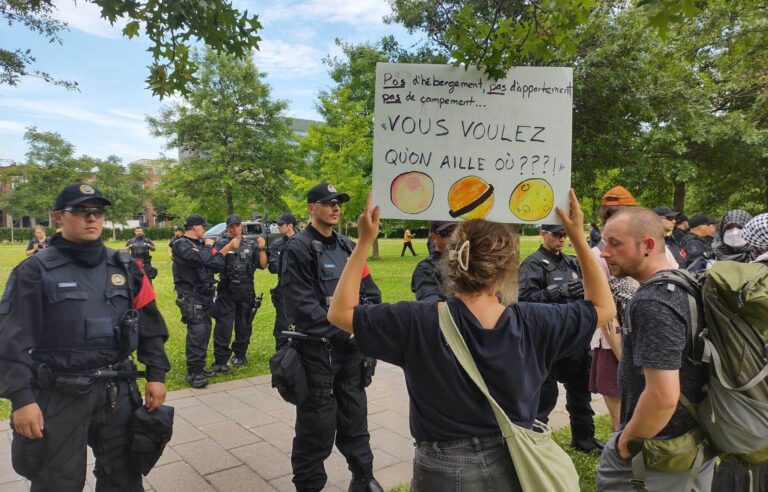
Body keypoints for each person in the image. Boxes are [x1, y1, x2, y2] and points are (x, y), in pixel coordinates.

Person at [327, 191, 615, 491]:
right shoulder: (537, 321)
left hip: (441, 468)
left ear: (451, 262)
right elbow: (603, 308)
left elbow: (340, 313)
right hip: (516, 459)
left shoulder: (417, 320)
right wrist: (579, 238)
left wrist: (362, 243)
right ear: (506, 269)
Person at [0, 183, 170, 490]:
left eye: (97, 212)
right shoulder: (34, 271)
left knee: (124, 480)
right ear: (58, 218)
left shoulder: (127, 267)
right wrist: (21, 399)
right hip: (60, 393)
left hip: (117, 393)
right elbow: (10, 339)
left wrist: (156, 374)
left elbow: (149, 325)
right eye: (80, 211)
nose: (91, 218)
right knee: (57, 483)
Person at [596, 207, 714, 491]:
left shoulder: (653, 301)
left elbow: (663, 395)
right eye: (604, 242)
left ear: (647, 245)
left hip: (658, 454)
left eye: (615, 243)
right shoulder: (685, 282)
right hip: (691, 440)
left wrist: (628, 442)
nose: (603, 253)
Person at [279, 182, 384, 492]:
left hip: (352, 355)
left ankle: (364, 479)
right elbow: (301, 306)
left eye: (338, 202)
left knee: (355, 421)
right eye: (328, 202)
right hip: (318, 357)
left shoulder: (349, 246)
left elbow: (371, 293)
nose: (336, 207)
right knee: (316, 430)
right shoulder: (298, 248)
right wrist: (346, 330)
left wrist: (366, 327)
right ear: (312, 208)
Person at [518, 223, 604, 452]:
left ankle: (584, 438)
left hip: (573, 338)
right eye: (556, 235)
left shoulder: (570, 261)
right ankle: (536, 448)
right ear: (543, 234)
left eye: (564, 235)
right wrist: (556, 292)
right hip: (546, 340)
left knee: (580, 392)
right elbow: (523, 301)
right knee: (544, 398)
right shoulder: (533, 264)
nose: (561, 239)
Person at [589, 186, 640, 431]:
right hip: (615, 344)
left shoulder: (643, 246)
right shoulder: (597, 256)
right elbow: (605, 312)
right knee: (622, 421)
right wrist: (625, 359)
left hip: (644, 340)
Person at [172, 214, 238, 388]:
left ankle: (199, 368)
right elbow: (206, 259)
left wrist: (211, 253)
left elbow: (217, 264)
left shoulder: (201, 245)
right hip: (191, 294)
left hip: (205, 294)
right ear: (195, 227)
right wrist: (213, 251)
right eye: (203, 227)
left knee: (204, 330)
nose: (205, 231)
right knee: (198, 331)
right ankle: (194, 373)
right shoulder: (181, 245)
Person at [211, 214, 267, 372]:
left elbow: (263, 265)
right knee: (224, 326)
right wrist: (228, 247)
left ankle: (240, 355)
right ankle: (221, 359)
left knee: (244, 324)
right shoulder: (221, 243)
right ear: (227, 228)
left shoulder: (250, 244)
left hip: (246, 290)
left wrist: (262, 248)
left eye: (237, 226)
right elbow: (212, 262)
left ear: (242, 226)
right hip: (226, 291)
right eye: (231, 226)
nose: (235, 229)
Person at [267, 212, 297, 348]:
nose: (278, 227)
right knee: (282, 325)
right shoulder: (277, 244)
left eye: (281, 224)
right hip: (284, 290)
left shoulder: (302, 242)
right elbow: (273, 266)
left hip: (301, 289)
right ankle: (282, 353)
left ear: (290, 226)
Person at [410, 221, 456, 302]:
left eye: (455, 232)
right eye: (446, 233)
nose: (452, 237)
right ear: (434, 237)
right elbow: (431, 304)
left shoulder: (464, 263)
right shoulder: (425, 268)